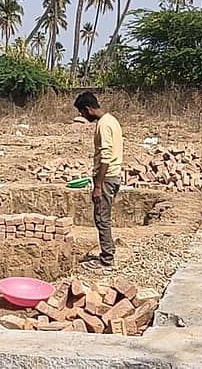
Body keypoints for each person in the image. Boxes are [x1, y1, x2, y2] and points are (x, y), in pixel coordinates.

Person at [74, 91, 123, 270]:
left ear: (88, 109)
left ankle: (107, 259)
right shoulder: (112, 120)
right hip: (114, 175)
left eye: (82, 112)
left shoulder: (103, 125)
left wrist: (98, 185)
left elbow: (105, 157)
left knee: (102, 217)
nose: (82, 116)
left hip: (107, 177)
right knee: (104, 216)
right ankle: (108, 250)